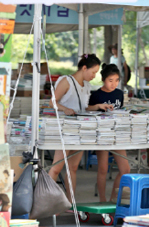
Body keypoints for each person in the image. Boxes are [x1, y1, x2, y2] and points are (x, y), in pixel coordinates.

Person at [48, 54, 113, 201]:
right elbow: (52, 102)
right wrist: (64, 109)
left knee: (73, 168)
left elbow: (83, 108)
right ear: (84, 68)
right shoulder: (66, 81)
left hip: (80, 131)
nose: (94, 75)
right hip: (65, 130)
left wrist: (97, 107)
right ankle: (48, 202)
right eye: (93, 72)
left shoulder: (87, 86)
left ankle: (70, 202)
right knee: (57, 167)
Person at [88, 64, 131, 203]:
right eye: (110, 80)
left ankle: (114, 198)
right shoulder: (96, 95)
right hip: (102, 134)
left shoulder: (119, 93)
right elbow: (87, 110)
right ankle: (102, 200)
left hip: (118, 133)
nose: (114, 84)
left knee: (125, 169)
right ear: (103, 79)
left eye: (117, 80)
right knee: (102, 169)